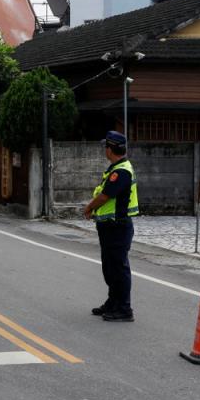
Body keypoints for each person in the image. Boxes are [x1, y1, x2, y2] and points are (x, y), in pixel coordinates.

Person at [84, 131, 138, 323]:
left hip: (118, 226)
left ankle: (124, 308)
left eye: (105, 146)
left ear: (111, 149)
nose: (104, 150)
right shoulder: (115, 169)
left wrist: (89, 207)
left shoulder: (121, 171)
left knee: (118, 267)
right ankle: (113, 302)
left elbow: (105, 195)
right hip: (110, 226)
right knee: (110, 266)